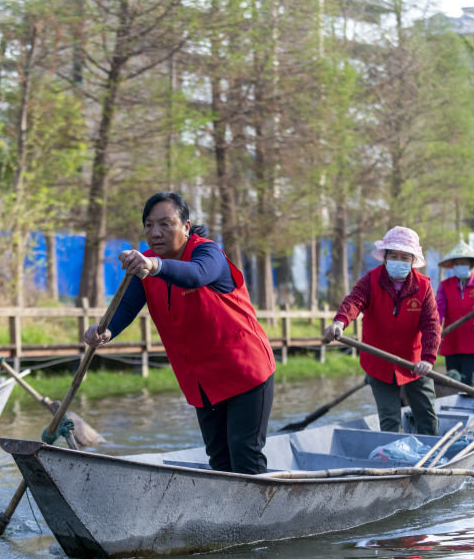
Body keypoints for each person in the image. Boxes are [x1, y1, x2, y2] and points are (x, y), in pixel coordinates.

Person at [84, 191, 276, 475]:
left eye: (165, 224)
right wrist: (106, 329)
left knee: (244, 455)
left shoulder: (208, 253)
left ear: (186, 227)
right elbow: (127, 305)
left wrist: (153, 266)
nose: (155, 233)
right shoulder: (146, 263)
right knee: (220, 462)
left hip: (245, 371)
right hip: (202, 380)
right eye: (149, 225)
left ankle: (261, 503)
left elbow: (196, 274)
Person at [322, 226, 441, 434]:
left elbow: (431, 325)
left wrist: (428, 359)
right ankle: (394, 453)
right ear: (385, 258)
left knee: (427, 414)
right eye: (393, 255)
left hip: (415, 362)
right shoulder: (370, 280)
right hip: (378, 361)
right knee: (389, 420)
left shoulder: (423, 286)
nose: (398, 260)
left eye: (404, 257)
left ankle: (432, 451)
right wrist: (339, 322)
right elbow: (354, 302)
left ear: (412, 260)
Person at [435, 240, 474, 386]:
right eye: (457, 263)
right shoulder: (445, 285)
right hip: (452, 340)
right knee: (452, 381)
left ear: (471, 265)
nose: (460, 266)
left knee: (469, 384)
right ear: (453, 266)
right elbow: (438, 311)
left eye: (463, 263)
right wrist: (435, 330)